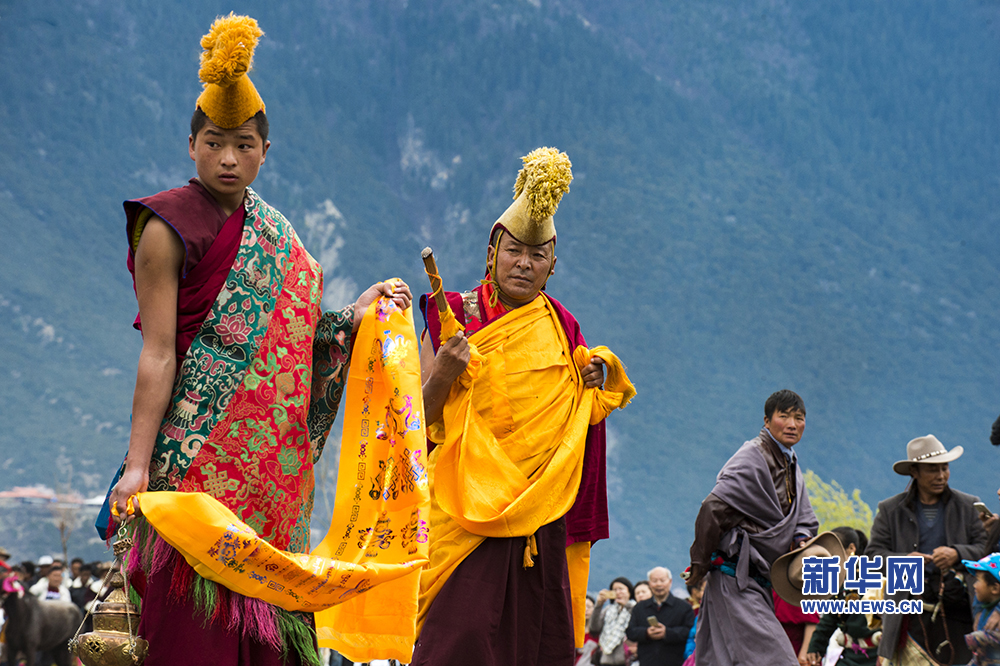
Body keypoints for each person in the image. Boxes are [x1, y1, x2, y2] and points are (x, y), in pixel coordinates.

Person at [93, 14, 411, 666]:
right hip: (189, 479)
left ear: (267, 152)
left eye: (243, 144)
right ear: (190, 145)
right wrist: (135, 466)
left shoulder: (278, 239)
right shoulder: (166, 228)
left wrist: (356, 315)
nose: (229, 158)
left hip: (268, 497)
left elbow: (302, 344)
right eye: (214, 142)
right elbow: (158, 351)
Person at [410, 147, 635, 666]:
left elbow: (580, 408)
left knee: (533, 646)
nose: (524, 264)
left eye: (538, 256)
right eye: (515, 250)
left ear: (553, 264)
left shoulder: (563, 328)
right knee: (458, 638)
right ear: (493, 249)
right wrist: (444, 369)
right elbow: (414, 424)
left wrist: (594, 378)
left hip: (538, 516)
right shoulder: (451, 316)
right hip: (463, 515)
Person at [687, 389, 819, 666]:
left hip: (760, 581)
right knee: (779, 660)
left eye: (799, 418)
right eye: (784, 416)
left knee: (727, 659)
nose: (793, 424)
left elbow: (803, 519)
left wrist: (801, 539)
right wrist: (699, 562)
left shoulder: (790, 461)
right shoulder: (752, 457)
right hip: (735, 577)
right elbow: (712, 508)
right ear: (767, 420)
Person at [866, 434, 987, 664]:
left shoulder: (968, 506)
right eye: (932, 469)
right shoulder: (891, 510)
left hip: (959, 612)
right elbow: (873, 556)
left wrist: (957, 553)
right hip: (909, 614)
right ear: (914, 471)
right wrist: (905, 560)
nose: (941, 476)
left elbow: (985, 551)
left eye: (945, 468)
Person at [803, 528, 879, 666]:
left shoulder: (878, 577)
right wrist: (815, 648)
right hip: (851, 657)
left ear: (851, 549)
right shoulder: (841, 585)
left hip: (879, 658)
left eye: (833, 553)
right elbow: (829, 620)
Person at [626, 567, 694, 666]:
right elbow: (630, 632)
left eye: (662, 580)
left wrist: (667, 633)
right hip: (647, 661)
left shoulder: (684, 607)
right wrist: (646, 633)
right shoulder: (640, 607)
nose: (658, 584)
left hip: (675, 661)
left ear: (670, 582)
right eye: (654, 581)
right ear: (649, 584)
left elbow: (689, 632)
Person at [961, 552, 1000, 665]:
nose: (974, 585)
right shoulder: (985, 609)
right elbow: (979, 656)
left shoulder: (997, 617)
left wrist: (979, 638)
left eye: (978, 580)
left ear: (994, 588)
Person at [590, 578, 636, 666]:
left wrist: (626, 605)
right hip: (606, 660)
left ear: (629, 591)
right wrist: (599, 605)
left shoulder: (635, 608)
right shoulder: (608, 610)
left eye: (621, 589)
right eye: (615, 590)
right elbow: (595, 627)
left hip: (627, 660)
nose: (618, 592)